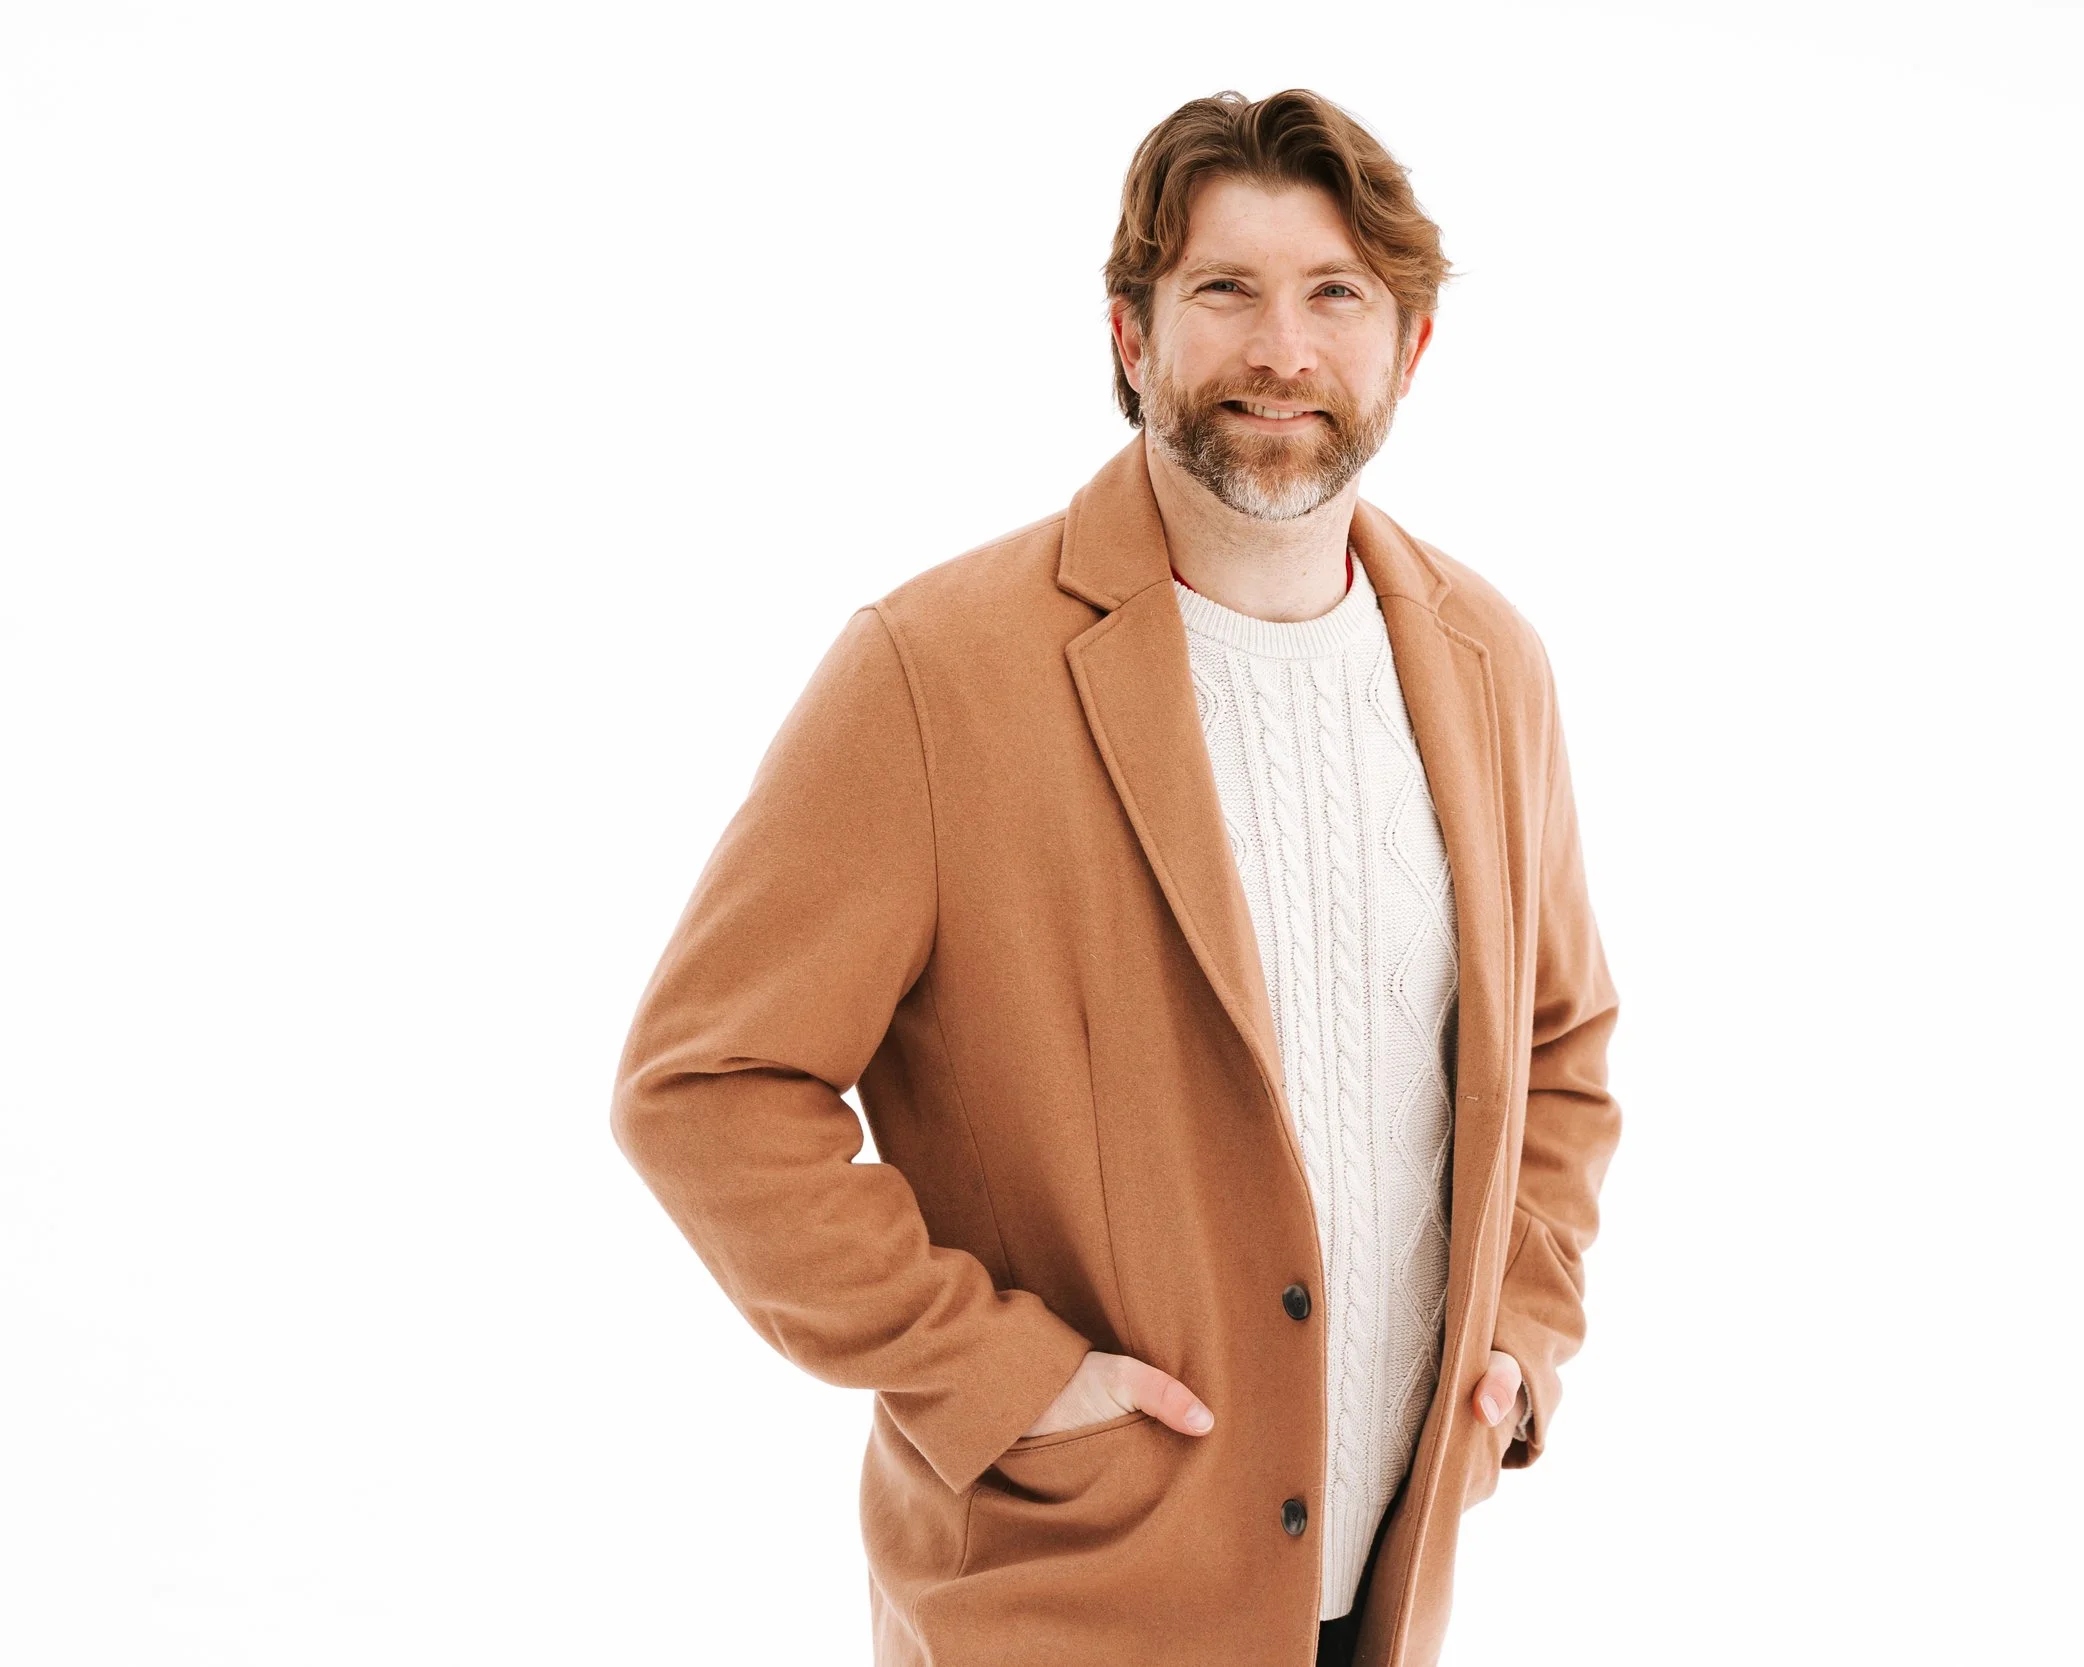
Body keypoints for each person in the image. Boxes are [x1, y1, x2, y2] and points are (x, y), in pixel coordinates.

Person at [609, 87, 1621, 1667]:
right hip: (1062, 1600)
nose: (1281, 349)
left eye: (1334, 295)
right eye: (1224, 291)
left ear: (1409, 348)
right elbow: (706, 1083)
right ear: (1132, 339)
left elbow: (1559, 1045)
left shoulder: (1492, 665)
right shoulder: (932, 672)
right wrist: (995, 1373)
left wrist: (1520, 1340)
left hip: (1381, 1600)